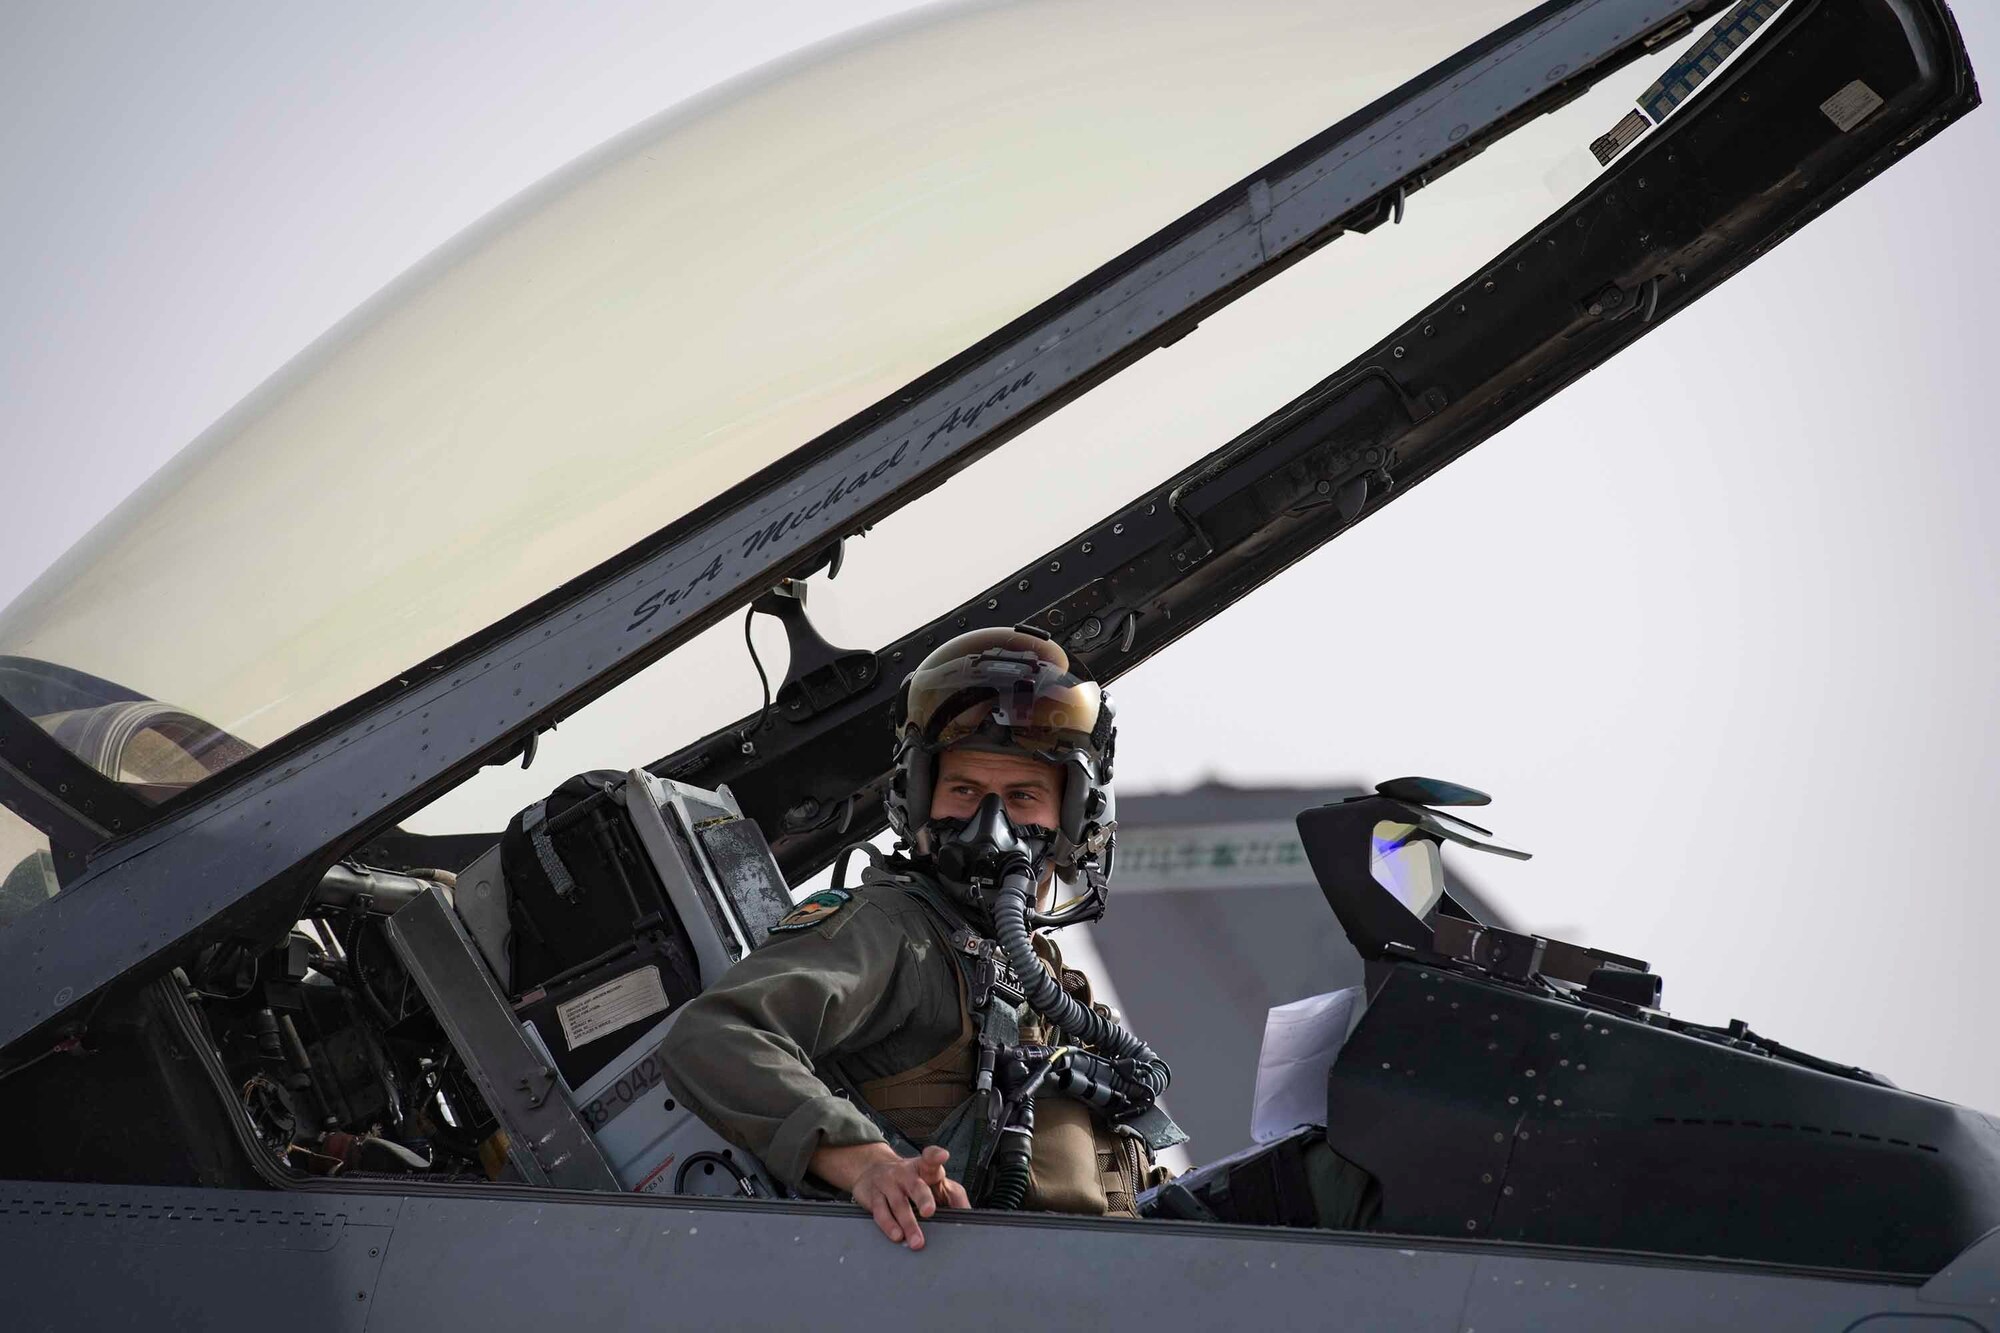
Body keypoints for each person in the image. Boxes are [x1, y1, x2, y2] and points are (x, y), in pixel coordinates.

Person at [659, 625, 1184, 1249]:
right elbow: (716, 1035)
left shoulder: (1039, 981)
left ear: (1075, 817)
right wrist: (870, 1164)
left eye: (1023, 797)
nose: (992, 825)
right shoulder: (896, 931)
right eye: (964, 791)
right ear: (919, 798)